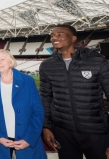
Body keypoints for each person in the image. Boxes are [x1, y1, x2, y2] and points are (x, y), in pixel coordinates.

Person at [40, 24, 109, 159]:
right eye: (52, 35)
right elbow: (45, 97)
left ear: (73, 38)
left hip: (95, 131)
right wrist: (46, 127)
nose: (54, 38)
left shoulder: (97, 61)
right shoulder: (47, 65)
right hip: (62, 131)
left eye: (60, 34)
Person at [0, 49, 46, 159]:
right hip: (1, 137)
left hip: (26, 135)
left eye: (2, 59)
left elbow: (38, 112)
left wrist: (29, 139)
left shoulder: (27, 80)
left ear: (10, 61)